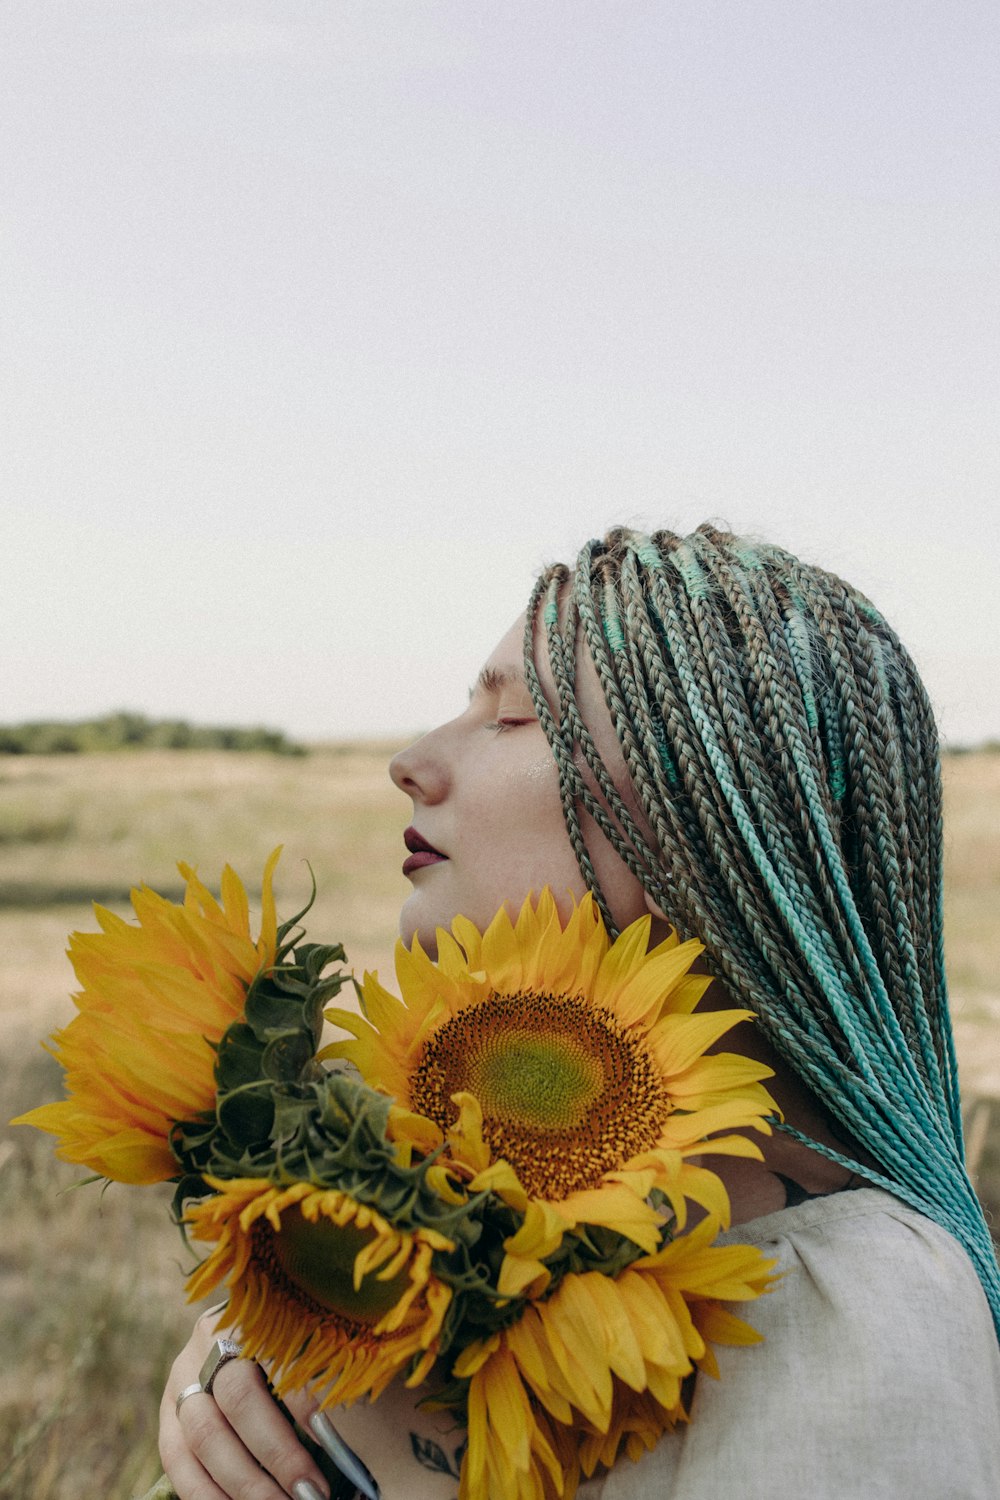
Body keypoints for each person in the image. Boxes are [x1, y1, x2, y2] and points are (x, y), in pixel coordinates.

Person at [159, 524, 1000, 1500]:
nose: (410, 760)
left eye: (510, 719)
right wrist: (249, 1362)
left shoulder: (853, 1317)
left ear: (704, 828)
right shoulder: (478, 1197)